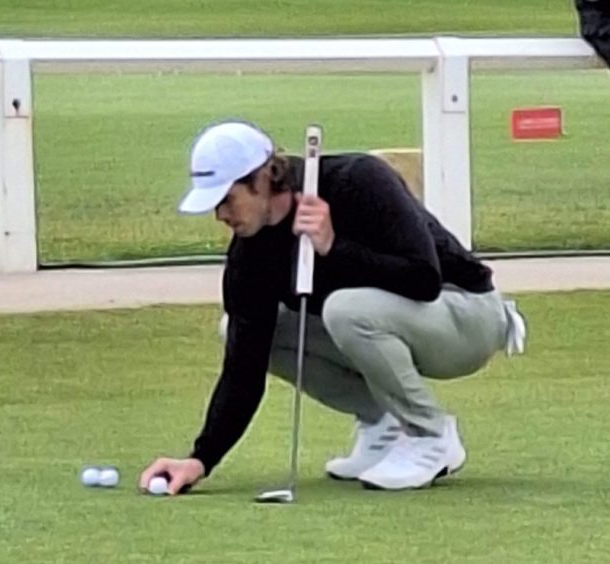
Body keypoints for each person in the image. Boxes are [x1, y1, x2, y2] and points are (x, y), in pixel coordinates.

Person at [138, 120, 526, 494]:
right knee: (240, 331)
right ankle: (382, 421)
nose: (221, 215)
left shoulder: (358, 179)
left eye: (226, 200)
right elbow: (244, 368)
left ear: (262, 178)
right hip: (393, 323)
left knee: (345, 308)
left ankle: (430, 435)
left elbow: (423, 279)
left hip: (468, 315)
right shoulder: (250, 254)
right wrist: (201, 459)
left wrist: (332, 248)